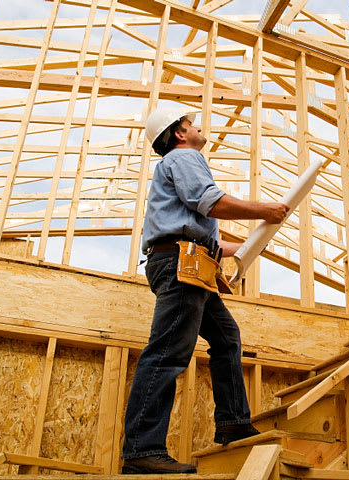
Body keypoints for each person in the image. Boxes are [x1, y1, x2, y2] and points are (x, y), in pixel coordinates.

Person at [121, 107, 289, 474]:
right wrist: (265, 212)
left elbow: (200, 231)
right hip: (182, 263)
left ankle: (232, 421)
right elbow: (211, 203)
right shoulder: (184, 158)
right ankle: (141, 449)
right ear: (180, 135)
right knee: (167, 352)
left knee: (226, 337)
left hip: (191, 262)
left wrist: (247, 247)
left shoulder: (176, 163)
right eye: (191, 124)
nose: (198, 128)